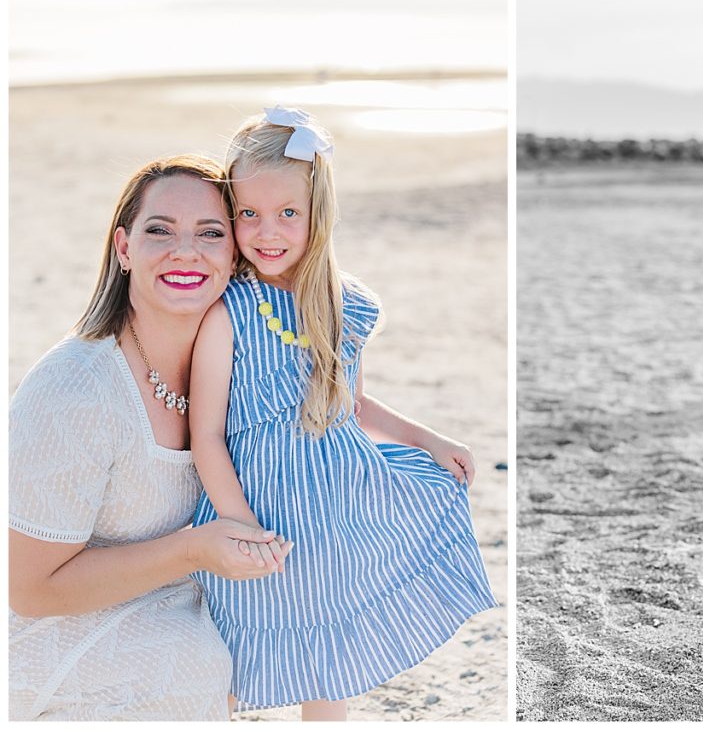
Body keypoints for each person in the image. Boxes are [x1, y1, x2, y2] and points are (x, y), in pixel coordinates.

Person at [190, 107, 497, 720]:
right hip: (257, 508)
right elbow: (207, 437)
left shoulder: (339, 304)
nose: (265, 231)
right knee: (234, 652)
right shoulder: (228, 314)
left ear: (317, 213)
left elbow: (349, 402)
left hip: (334, 513)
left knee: (325, 662)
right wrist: (240, 524)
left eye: (287, 214)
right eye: (247, 213)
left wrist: (427, 439)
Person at [9, 155, 295, 721]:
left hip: (155, 594)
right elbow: (29, 590)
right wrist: (193, 549)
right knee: (191, 665)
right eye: (159, 230)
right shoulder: (76, 391)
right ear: (123, 249)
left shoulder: (230, 364)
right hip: (50, 636)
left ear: (234, 254)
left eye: (210, 233)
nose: (184, 251)